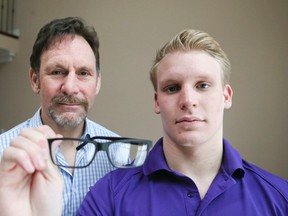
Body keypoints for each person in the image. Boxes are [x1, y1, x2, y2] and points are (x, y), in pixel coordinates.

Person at [77, 29, 288, 215]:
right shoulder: (109, 195)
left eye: (203, 85)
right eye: (172, 88)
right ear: (157, 101)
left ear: (226, 96)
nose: (188, 101)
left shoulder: (280, 198)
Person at [0, 17, 119, 216]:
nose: (71, 88)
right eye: (57, 72)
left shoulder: (119, 155)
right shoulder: (2, 154)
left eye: (83, 73)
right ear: (35, 80)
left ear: (97, 83)